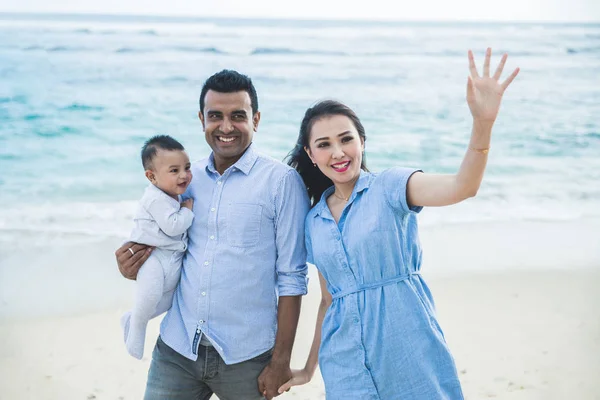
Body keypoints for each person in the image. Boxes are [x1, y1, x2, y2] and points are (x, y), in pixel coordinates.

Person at [281, 48, 519, 399]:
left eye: (346, 139)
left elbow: (462, 186)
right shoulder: (313, 220)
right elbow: (329, 299)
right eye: (324, 144)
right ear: (311, 156)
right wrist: (307, 369)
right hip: (344, 362)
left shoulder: (391, 186)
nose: (338, 152)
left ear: (362, 140)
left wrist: (482, 124)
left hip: (408, 348)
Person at [114, 70, 310, 399]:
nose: (226, 127)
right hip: (178, 349)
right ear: (201, 119)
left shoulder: (282, 182)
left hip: (248, 357)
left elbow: (292, 277)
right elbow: (165, 246)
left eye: (238, 116)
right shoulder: (185, 180)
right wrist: (130, 266)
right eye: (215, 116)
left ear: (256, 119)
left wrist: (281, 361)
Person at [121, 134, 194, 359]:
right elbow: (172, 226)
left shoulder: (171, 194)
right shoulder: (155, 198)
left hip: (169, 257)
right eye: (174, 171)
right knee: (150, 295)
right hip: (151, 257)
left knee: (169, 300)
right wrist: (187, 210)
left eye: (187, 167)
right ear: (151, 177)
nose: (184, 175)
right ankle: (137, 332)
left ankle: (131, 319)